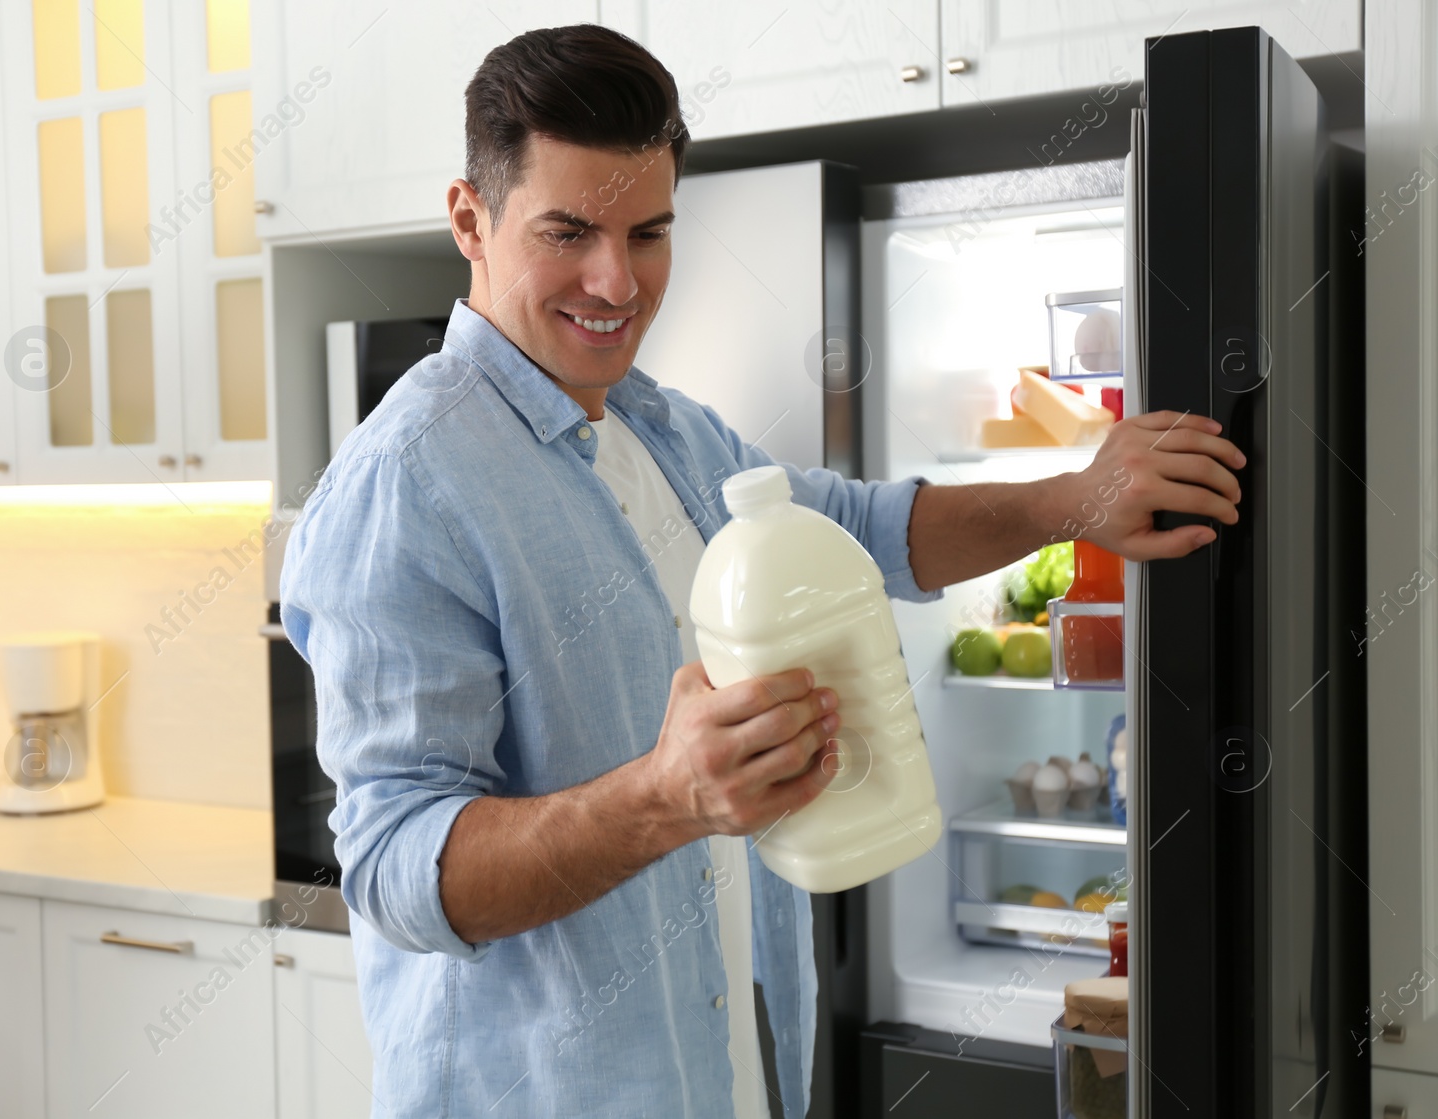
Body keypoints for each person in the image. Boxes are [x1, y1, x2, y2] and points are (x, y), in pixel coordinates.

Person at [279, 24, 1243, 1119]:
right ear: (470, 220)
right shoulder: (405, 485)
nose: (615, 280)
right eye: (568, 232)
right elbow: (396, 869)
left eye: (648, 234)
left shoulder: (661, 428)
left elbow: (862, 532)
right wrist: (663, 797)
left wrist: (1072, 501)